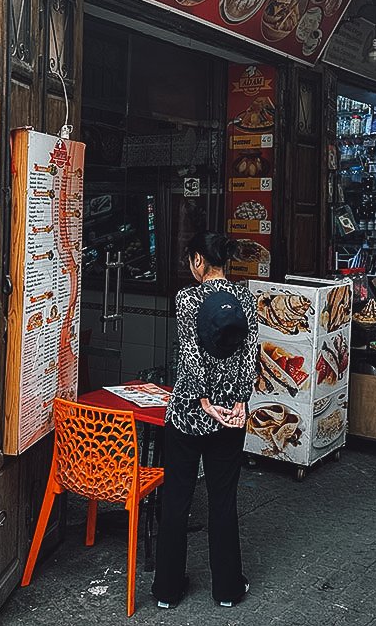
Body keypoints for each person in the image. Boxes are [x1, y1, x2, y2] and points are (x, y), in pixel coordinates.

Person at [152, 232, 257, 609]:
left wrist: (202, 400)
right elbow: (250, 355)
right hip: (230, 416)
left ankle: (167, 590)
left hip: (187, 415)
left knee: (177, 499)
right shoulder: (245, 297)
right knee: (223, 501)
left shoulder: (188, 298)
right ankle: (227, 589)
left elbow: (190, 356)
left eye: (189, 260)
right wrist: (241, 401)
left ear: (199, 260)